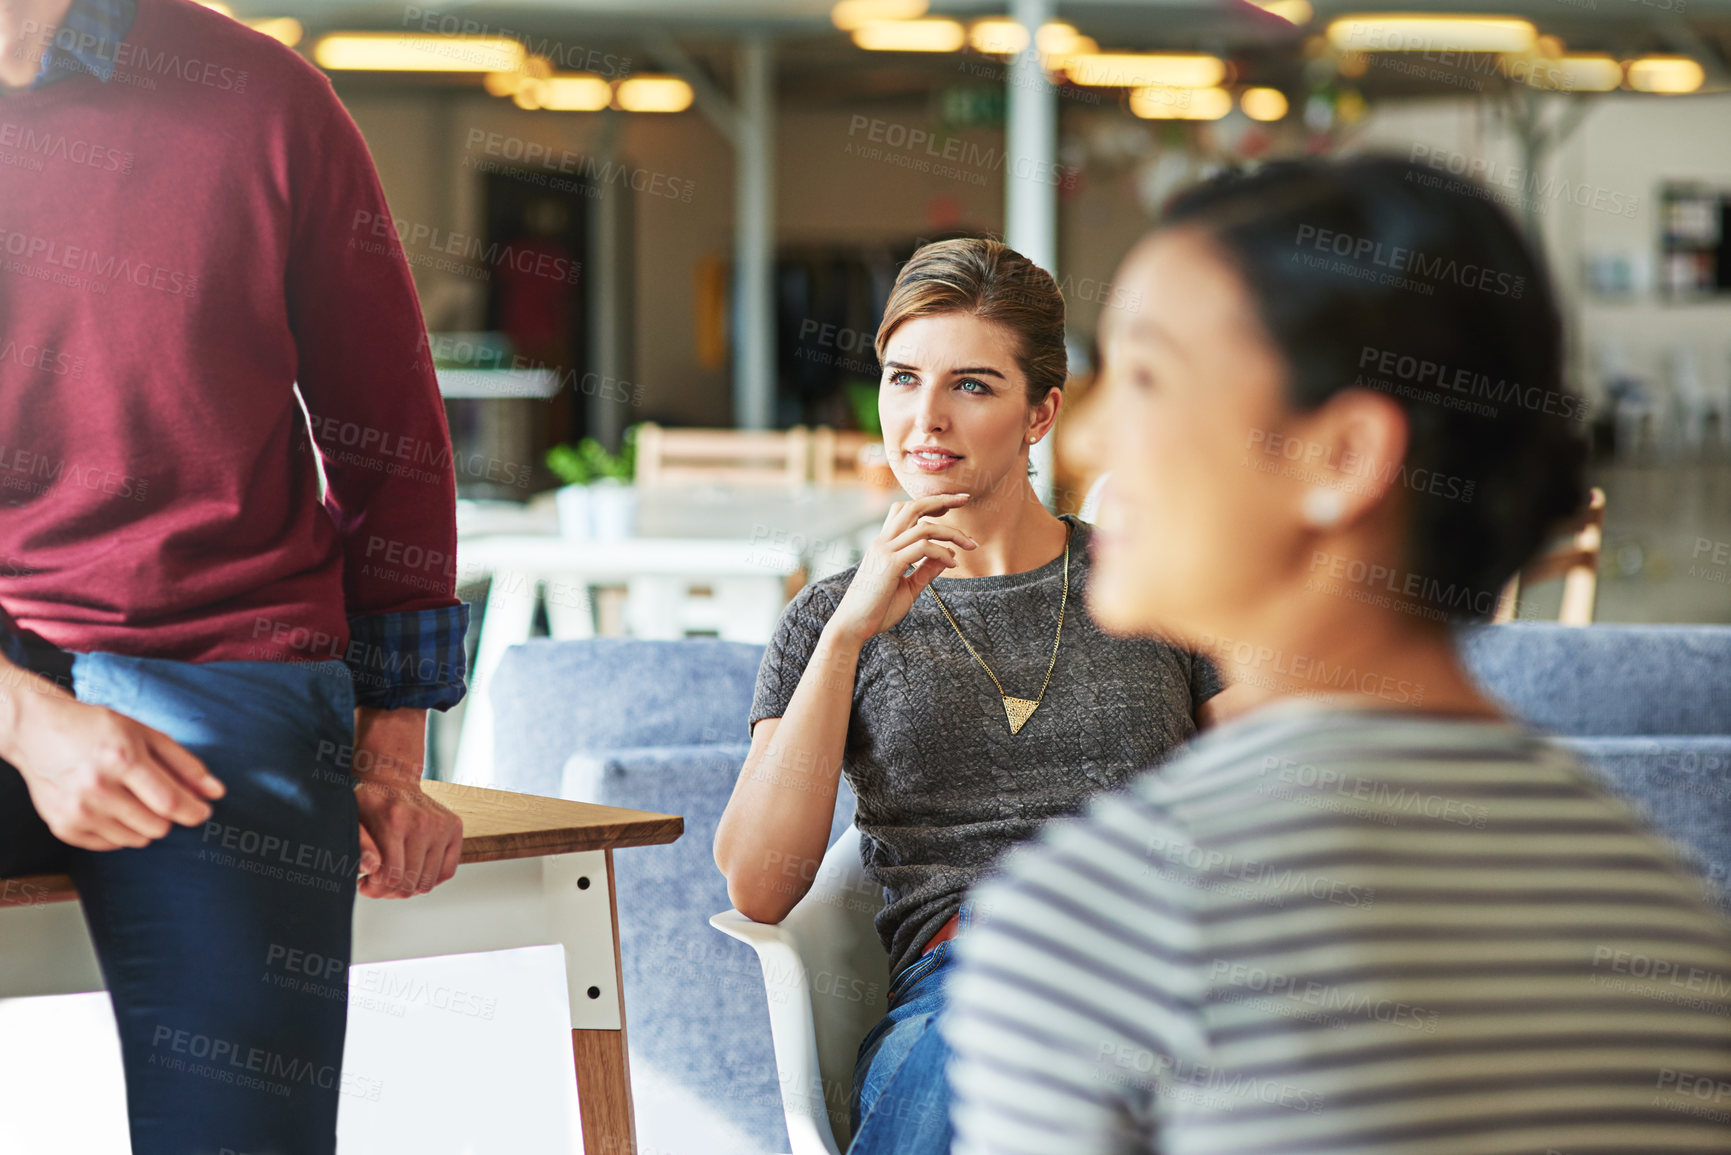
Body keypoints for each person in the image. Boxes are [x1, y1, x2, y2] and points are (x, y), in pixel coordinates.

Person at [938, 156, 1731, 1153]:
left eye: (1144, 376)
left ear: (1343, 458)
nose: (1089, 434)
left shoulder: (1102, 919)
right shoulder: (1668, 915)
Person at [0, 0, 469, 1151]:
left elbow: (386, 432)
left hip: (217, 649)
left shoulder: (264, 97)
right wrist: (28, 719)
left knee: (240, 1133)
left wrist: (390, 749)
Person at [713, 237, 1233, 1155]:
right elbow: (758, 886)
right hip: (963, 979)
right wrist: (846, 642)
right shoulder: (828, 618)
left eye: (973, 386)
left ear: (1041, 414)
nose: (926, 419)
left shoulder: (1157, 583)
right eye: (903, 378)